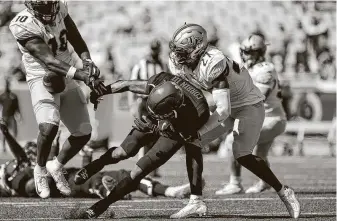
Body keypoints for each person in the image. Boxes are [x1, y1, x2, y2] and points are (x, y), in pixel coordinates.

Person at [167, 23, 300, 218]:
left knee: (242, 154)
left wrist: (198, 129)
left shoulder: (214, 62)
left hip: (248, 106)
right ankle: (196, 202)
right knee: (192, 141)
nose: (177, 56)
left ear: (196, 49)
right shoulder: (181, 62)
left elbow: (222, 110)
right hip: (228, 105)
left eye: (182, 51)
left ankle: (284, 192)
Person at [72, 72, 210, 219]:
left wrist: (155, 128)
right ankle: (93, 166)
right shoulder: (161, 81)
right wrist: (103, 91)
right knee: (122, 152)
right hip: (159, 118)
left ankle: (103, 204)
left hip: (175, 132)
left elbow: (184, 139)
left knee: (137, 171)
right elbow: (127, 84)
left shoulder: (198, 113)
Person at [9, 0, 106, 199]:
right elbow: (49, 61)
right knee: (49, 126)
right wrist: (81, 75)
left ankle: (57, 165)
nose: (48, 10)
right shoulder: (22, 24)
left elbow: (74, 36)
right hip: (42, 77)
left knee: (83, 132)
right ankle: (40, 169)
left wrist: (87, 61)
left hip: (67, 73)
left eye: (50, 5)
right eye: (43, 7)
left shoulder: (60, 7)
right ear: (31, 7)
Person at [0, 119, 195, 199]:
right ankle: (106, 190)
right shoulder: (21, 181)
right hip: (71, 185)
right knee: (94, 182)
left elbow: (20, 154)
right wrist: (54, 152)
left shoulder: (26, 165)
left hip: (75, 176)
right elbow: (40, 184)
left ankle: (170, 191)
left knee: (126, 174)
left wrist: (6, 132)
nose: (32, 154)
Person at [215, 34, 287, 195]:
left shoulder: (265, 69)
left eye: (250, 52)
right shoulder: (251, 68)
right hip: (265, 118)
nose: (246, 55)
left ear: (260, 52)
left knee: (233, 140)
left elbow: (257, 99)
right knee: (259, 154)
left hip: (271, 119)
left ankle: (235, 183)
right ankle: (265, 182)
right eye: (244, 52)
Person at [128, 39, 168, 177]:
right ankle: (140, 166)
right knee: (143, 134)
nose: (155, 52)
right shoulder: (141, 65)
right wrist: (132, 104)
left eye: (157, 50)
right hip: (144, 103)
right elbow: (132, 84)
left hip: (160, 105)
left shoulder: (163, 64)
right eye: (153, 49)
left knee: (157, 135)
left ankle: (153, 168)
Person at [0, 77, 22, 152]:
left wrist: (19, 117)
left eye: (7, 84)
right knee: (4, 133)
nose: (6, 86)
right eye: (5, 85)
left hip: (12, 117)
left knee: (14, 133)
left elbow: (17, 108)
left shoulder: (13, 96)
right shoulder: (2, 96)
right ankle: (4, 147)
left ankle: (14, 147)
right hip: (4, 117)